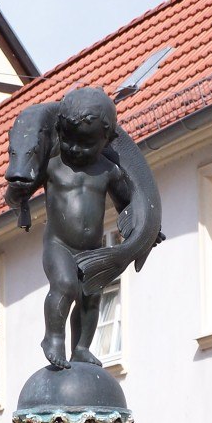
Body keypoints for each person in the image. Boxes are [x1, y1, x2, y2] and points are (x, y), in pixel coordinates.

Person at [39, 87, 133, 369]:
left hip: (92, 251)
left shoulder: (109, 171)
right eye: (70, 141)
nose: (76, 150)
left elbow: (127, 204)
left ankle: (81, 347)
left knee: (91, 297)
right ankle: (53, 338)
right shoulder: (52, 166)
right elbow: (22, 182)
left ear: (107, 140)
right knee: (65, 286)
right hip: (58, 245)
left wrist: (144, 229)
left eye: (87, 144)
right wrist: (17, 201)